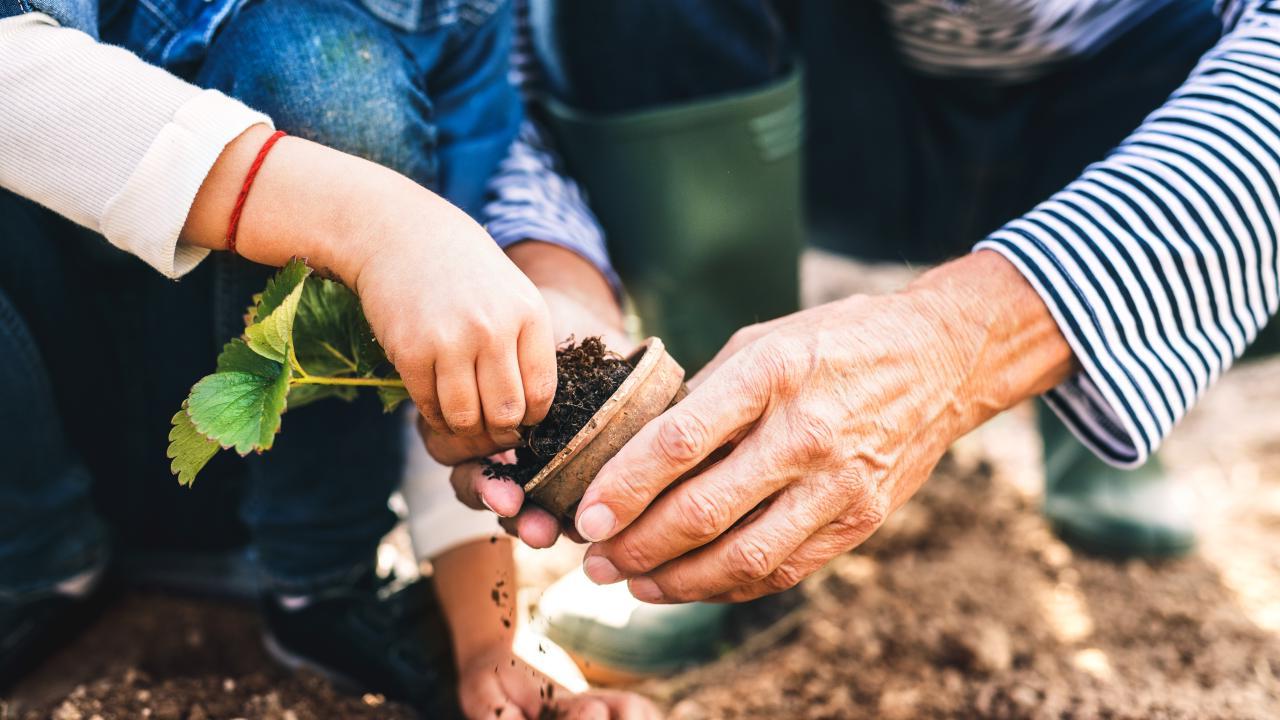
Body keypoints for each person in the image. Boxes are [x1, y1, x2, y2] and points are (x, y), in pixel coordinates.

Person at [440, 0, 1280, 606]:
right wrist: (553, 267)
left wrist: (965, 341)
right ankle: (716, 478)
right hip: (828, 100)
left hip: (1142, 87)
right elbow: (491, 46)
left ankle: (1098, 394)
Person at [0, 0, 656, 716]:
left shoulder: (462, 17)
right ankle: (35, 563)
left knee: (325, 68)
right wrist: (372, 223)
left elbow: (453, 318)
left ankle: (321, 582)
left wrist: (489, 639)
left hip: (280, 479)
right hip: (37, 407)